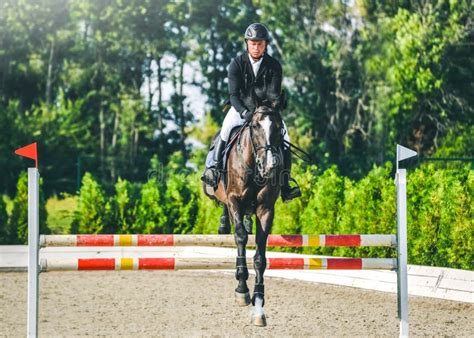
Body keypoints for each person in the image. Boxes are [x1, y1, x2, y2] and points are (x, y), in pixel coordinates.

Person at [201, 23, 301, 202]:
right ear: (247, 43)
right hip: (240, 109)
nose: (256, 47)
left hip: (264, 113)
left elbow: (273, 94)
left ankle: (285, 184)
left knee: (286, 137)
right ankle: (214, 169)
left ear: (266, 45)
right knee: (225, 130)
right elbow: (233, 94)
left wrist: (263, 112)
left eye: (260, 43)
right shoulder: (236, 64)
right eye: (253, 43)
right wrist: (245, 112)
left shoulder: (274, 66)